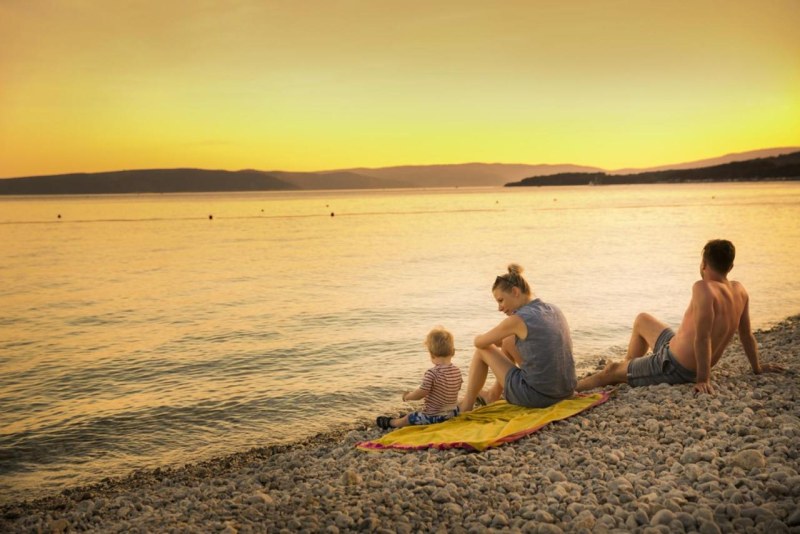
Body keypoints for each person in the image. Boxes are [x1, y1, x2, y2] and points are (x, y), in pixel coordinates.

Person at [576, 239, 784, 395]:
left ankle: (570, 391)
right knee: (642, 319)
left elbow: (702, 338)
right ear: (730, 267)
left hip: (676, 366)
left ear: (703, 264)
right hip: (673, 347)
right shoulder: (740, 291)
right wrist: (757, 368)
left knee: (610, 370)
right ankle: (630, 371)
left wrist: (703, 379)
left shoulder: (703, 288)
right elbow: (747, 335)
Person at [458, 264, 577, 413]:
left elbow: (479, 343)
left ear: (515, 292)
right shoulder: (553, 309)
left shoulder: (517, 320)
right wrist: (502, 337)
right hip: (566, 391)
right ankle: (492, 395)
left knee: (483, 350)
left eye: (501, 300)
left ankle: (466, 405)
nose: (499, 308)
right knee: (508, 341)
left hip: (539, 398)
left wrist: (480, 337)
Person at [376, 327, 462, 429]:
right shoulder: (457, 371)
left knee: (409, 417)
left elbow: (420, 394)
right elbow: (456, 388)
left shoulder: (432, 373)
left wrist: (407, 396)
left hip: (434, 417)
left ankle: (392, 423)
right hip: (452, 414)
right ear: (453, 352)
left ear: (432, 354)